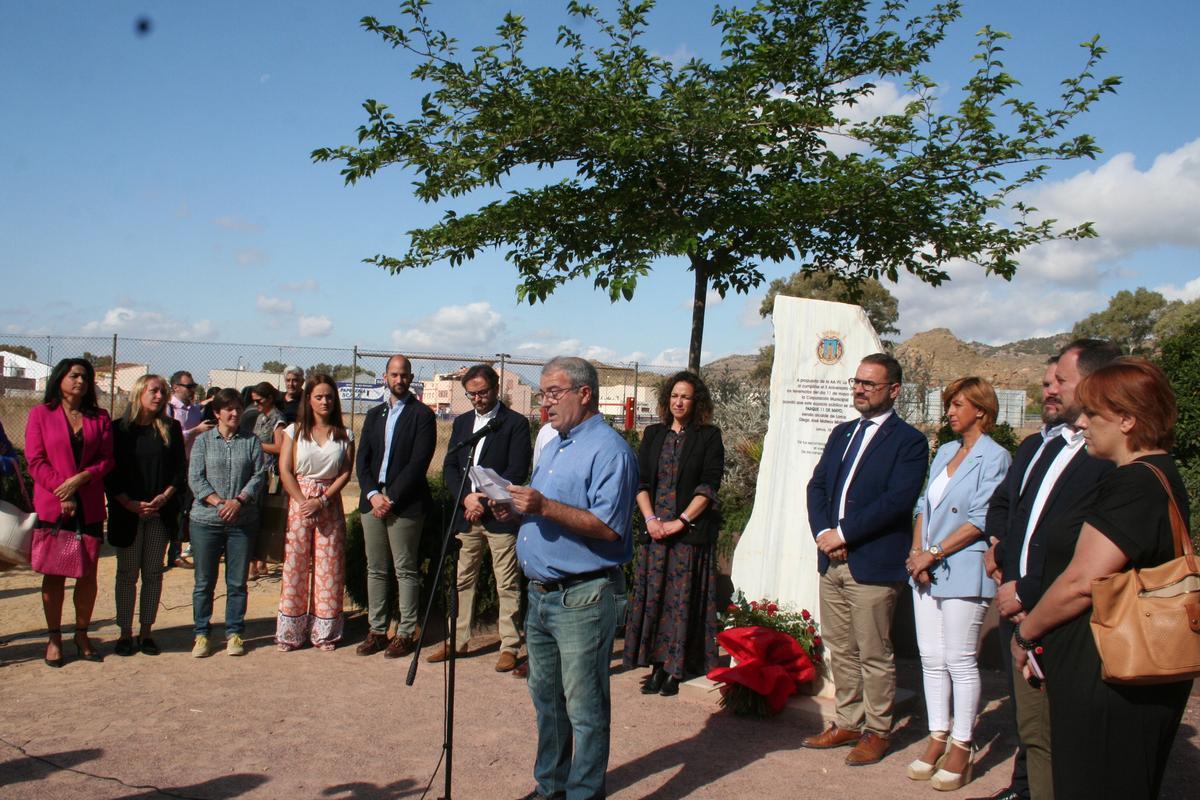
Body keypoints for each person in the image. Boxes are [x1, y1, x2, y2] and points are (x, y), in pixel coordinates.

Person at [1011, 358, 1191, 800]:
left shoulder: (1134, 483)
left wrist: (1027, 631)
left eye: (1095, 414)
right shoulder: (1158, 475)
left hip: (1109, 676)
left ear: (1128, 420)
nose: (1084, 422)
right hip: (1117, 670)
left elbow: (1081, 580)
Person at [973, 339, 1121, 800]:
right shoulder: (1039, 444)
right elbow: (1008, 506)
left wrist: (1029, 589)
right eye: (1047, 382)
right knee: (1028, 717)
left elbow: (1077, 545)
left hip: (1056, 608)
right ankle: (1023, 788)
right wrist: (999, 547)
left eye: (1060, 381)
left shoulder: (1103, 457)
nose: (1049, 390)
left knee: (1063, 728)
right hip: (1013, 597)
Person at [494, 356, 638, 800]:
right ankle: (551, 786)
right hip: (540, 597)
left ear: (584, 394)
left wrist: (543, 507)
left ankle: (584, 792)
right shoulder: (554, 443)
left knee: (585, 707)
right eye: (542, 394)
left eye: (554, 393)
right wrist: (515, 511)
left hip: (583, 598)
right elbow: (545, 512)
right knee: (547, 703)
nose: (545, 403)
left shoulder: (611, 451)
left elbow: (609, 526)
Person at [801, 353, 929, 766]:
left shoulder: (909, 441)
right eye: (856, 382)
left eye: (868, 384)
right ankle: (848, 721)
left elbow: (897, 501)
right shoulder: (841, 433)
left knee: (874, 652)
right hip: (832, 560)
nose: (858, 389)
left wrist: (846, 533)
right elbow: (817, 485)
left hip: (872, 564)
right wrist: (824, 534)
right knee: (841, 648)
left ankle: (878, 730)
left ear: (893, 390)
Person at [904, 377, 1011, 790]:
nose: (949, 411)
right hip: (925, 568)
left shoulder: (995, 457)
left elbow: (983, 518)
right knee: (931, 656)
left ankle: (963, 745)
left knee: (960, 659)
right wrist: (918, 555)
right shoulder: (945, 450)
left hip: (963, 567)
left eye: (958, 404)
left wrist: (936, 553)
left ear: (981, 411)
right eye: (949, 404)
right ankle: (937, 735)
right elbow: (922, 506)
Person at [623, 371, 724, 697]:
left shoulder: (708, 436)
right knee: (655, 597)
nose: (679, 402)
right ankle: (655, 664)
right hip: (655, 532)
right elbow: (641, 483)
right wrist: (651, 519)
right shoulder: (653, 434)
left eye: (686, 397)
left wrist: (680, 522)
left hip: (687, 533)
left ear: (697, 403)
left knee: (679, 601)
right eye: (674, 396)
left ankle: (675, 667)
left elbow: (708, 486)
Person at [427, 364, 531, 671]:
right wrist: (465, 498)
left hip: (499, 516)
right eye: (471, 394)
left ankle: (510, 644)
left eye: (482, 392)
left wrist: (483, 501)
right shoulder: (461, 424)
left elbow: (516, 470)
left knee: (506, 582)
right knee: (462, 580)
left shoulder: (515, 423)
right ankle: (457, 640)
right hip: (466, 516)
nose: (477, 399)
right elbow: (449, 467)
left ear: (496, 389)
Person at [25, 358, 115, 666]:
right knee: (54, 574)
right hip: (53, 504)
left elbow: (106, 459)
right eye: (74, 375)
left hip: (88, 504)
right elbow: (35, 460)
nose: (80, 381)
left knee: (87, 573)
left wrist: (82, 478)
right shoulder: (41, 414)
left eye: (85, 377)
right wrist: (62, 489)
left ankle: (81, 633)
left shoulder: (99, 417)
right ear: (60, 378)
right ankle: (53, 637)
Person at [354, 354, 436, 658]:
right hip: (373, 500)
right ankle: (377, 630)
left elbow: (418, 463)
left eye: (404, 375)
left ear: (411, 378)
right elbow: (362, 460)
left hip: (405, 503)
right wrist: (373, 494)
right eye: (394, 374)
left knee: (405, 569)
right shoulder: (375, 415)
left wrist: (391, 497)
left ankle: (405, 633)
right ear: (385, 377)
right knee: (375, 568)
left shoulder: (422, 416)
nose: (399, 380)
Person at [106, 374, 187, 657]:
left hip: (158, 513)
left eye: (163, 392)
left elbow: (179, 470)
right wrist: (126, 502)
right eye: (154, 390)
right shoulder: (118, 430)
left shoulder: (171, 428)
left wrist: (164, 497)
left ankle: (147, 632)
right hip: (127, 512)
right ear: (139, 392)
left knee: (153, 574)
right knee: (127, 574)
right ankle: (125, 632)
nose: (159, 396)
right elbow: (109, 472)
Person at [275, 374, 355, 651]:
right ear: (308, 400)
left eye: (329, 397)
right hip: (300, 504)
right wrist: (302, 501)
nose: (324, 402)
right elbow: (285, 470)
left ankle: (325, 631)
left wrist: (322, 500)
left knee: (328, 568)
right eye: (319, 396)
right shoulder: (294, 431)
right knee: (295, 566)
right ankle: (291, 633)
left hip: (329, 505)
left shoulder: (345, 435)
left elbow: (344, 472)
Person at [187, 388, 266, 657]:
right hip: (206, 521)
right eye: (228, 408)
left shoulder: (251, 441)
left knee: (237, 582)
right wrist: (220, 503)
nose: (234, 413)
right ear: (216, 412)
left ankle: (234, 632)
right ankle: (201, 633)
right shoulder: (203, 441)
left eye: (238, 408)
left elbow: (259, 475)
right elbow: (195, 478)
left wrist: (239, 501)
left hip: (242, 522)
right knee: (204, 581)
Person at [166, 370, 212, 569]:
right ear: (175, 387)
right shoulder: (168, 409)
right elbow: (169, 439)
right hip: (174, 465)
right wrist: (196, 431)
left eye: (193, 386)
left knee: (187, 508)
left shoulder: (194, 410)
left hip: (193, 464)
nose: (192, 389)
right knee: (173, 509)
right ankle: (168, 552)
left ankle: (178, 551)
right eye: (189, 386)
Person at [246, 381, 286, 580]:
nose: (256, 404)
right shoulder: (262, 416)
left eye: (259, 400)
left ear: (270, 398)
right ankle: (259, 562)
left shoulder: (277, 419)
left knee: (260, 519)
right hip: (258, 471)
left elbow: (280, 447)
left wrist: (257, 445)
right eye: (254, 401)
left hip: (268, 474)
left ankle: (256, 563)